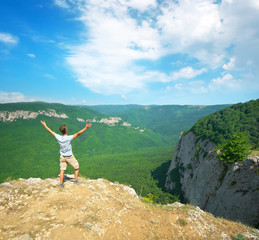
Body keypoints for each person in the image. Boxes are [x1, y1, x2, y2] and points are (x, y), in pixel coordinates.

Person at [41, 121, 92, 188]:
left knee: (62, 171)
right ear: (66, 130)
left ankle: (61, 184)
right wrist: (86, 128)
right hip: (69, 156)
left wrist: (45, 125)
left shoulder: (58, 137)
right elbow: (78, 133)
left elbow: (50, 131)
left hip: (62, 156)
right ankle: (76, 181)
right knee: (77, 167)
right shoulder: (69, 137)